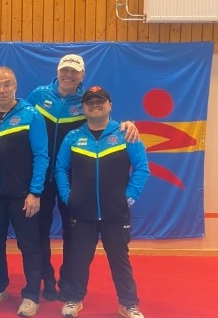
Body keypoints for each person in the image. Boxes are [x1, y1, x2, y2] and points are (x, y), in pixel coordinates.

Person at [26, 54, 139, 301]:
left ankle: (68, 282)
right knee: (39, 231)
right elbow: (18, 115)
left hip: (74, 180)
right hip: (40, 177)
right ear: (57, 71)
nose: (69, 75)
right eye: (65, 70)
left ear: (82, 75)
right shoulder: (38, 96)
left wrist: (128, 124)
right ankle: (46, 278)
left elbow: (107, 122)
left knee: (74, 235)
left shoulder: (86, 101)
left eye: (74, 72)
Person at [55, 86, 150, 318]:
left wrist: (128, 198)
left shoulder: (126, 134)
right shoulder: (73, 137)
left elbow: (142, 169)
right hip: (82, 212)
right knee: (78, 259)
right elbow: (60, 168)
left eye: (100, 101)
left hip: (116, 212)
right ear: (83, 107)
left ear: (110, 105)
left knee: (120, 260)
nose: (94, 105)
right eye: (90, 102)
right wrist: (68, 197)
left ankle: (128, 304)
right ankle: (74, 299)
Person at [0, 66, 49, 318]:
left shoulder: (31, 115)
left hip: (23, 195)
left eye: (7, 84)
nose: (2, 90)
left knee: (28, 245)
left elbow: (42, 156)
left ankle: (31, 295)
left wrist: (35, 192)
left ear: (15, 86)